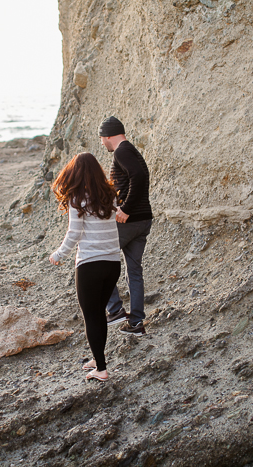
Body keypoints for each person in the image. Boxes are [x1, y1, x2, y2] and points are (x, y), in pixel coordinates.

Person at [49, 152, 121, 382]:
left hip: (90, 264)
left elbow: (74, 233)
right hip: (112, 263)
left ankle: (101, 369)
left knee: (91, 316)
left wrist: (59, 254)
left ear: (75, 173)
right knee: (100, 313)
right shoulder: (109, 195)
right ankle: (96, 358)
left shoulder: (77, 199)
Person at [99, 116, 153, 337]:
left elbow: (139, 177)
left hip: (130, 221)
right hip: (143, 220)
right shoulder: (132, 151)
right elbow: (137, 179)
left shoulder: (122, 151)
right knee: (134, 271)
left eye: (101, 138)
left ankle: (115, 310)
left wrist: (126, 208)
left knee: (101, 258)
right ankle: (136, 324)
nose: (102, 143)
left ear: (108, 135)